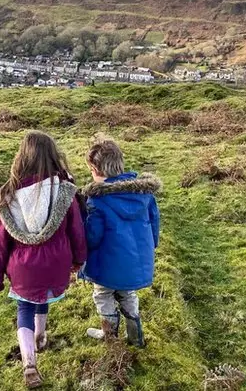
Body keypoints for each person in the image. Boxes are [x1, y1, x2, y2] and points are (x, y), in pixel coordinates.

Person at [0, 131, 87, 389]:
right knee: (43, 296)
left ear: (21, 158)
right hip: (56, 265)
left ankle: (29, 363)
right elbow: (77, 231)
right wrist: (80, 260)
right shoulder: (65, 192)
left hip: (22, 269)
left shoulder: (5, 198)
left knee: (24, 307)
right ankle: (41, 336)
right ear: (54, 156)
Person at [80, 136, 161, 348]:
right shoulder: (143, 194)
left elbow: (93, 236)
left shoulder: (97, 200)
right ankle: (136, 335)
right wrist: (150, 247)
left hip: (107, 263)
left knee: (103, 293)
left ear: (97, 170)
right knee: (128, 292)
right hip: (135, 260)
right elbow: (154, 224)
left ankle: (110, 336)